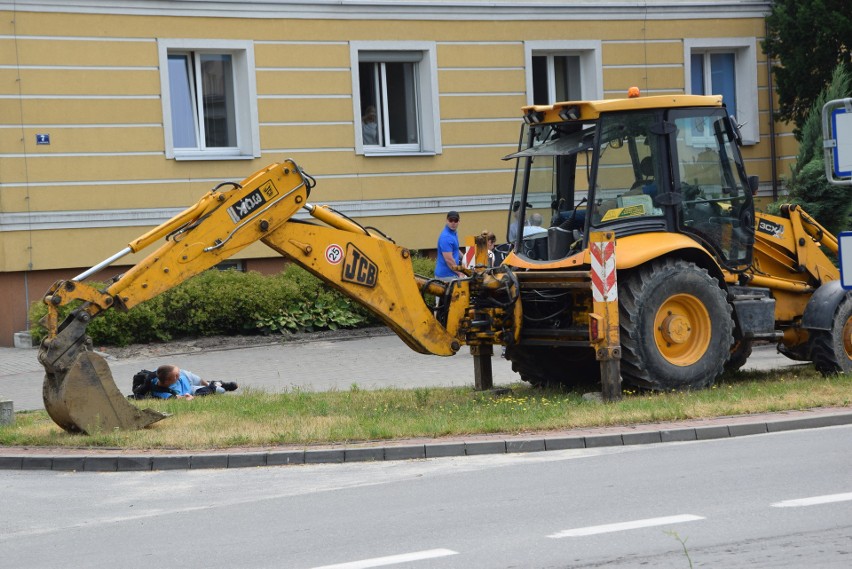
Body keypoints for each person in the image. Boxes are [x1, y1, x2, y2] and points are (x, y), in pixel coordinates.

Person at [151, 364, 238, 400]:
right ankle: (217, 385)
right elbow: (177, 398)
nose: (179, 375)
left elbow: (196, 378)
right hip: (190, 391)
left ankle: (212, 383)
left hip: (189, 381)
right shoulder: (162, 392)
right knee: (220, 391)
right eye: (176, 376)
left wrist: (206, 384)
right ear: (167, 382)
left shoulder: (159, 372)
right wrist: (187, 398)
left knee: (197, 379)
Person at [435, 210, 464, 279]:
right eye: (451, 220)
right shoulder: (446, 237)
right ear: (447, 221)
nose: (453, 223)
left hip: (451, 274)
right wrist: (460, 273)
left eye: (455, 220)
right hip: (446, 277)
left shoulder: (453, 233)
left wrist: (465, 257)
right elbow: (448, 259)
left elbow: (455, 248)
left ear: (459, 221)